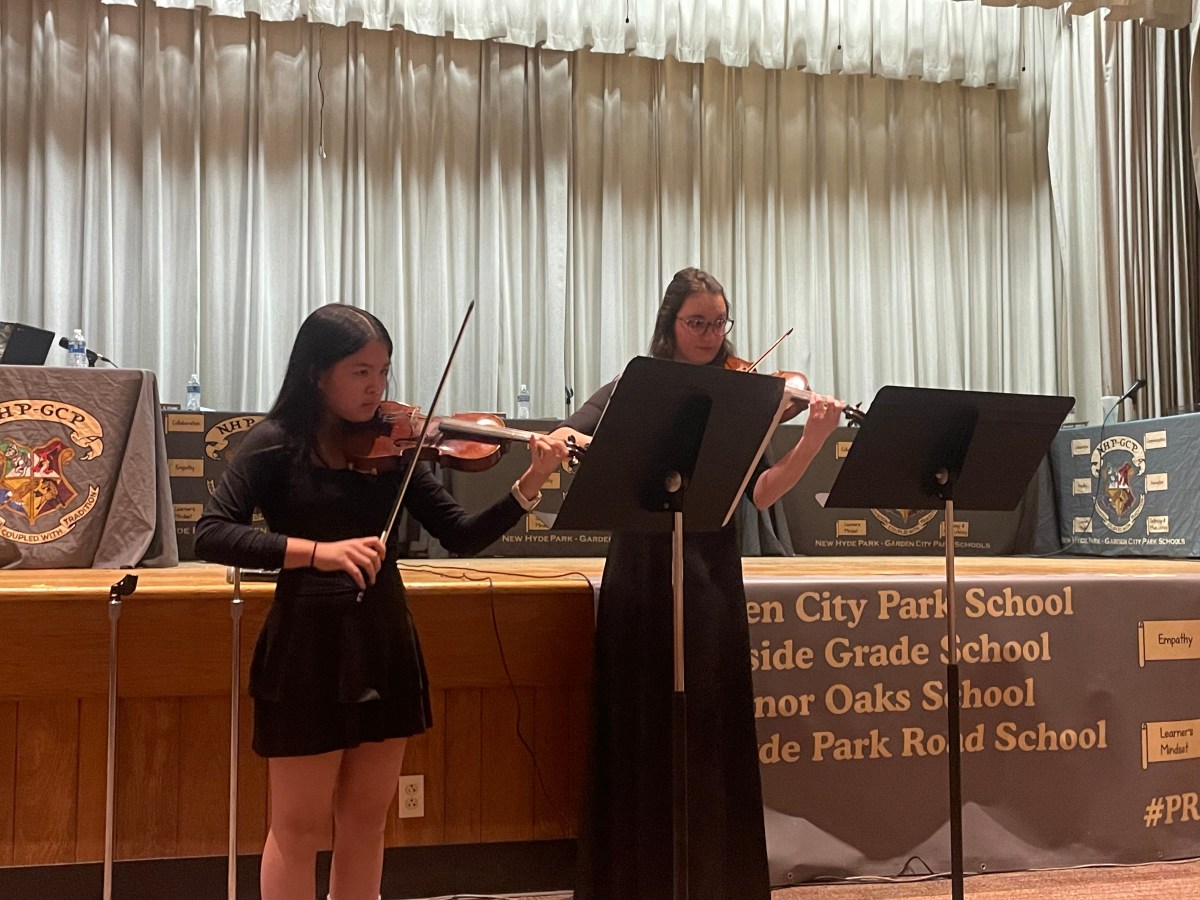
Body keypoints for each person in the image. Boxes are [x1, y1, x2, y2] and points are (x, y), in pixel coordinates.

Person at [194, 303, 569, 900]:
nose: (377, 387)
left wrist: (530, 483)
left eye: (384, 372)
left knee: (366, 824)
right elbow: (211, 532)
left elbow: (462, 534)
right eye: (360, 371)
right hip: (307, 649)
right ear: (319, 373)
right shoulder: (275, 445)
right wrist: (317, 551)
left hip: (384, 640)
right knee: (298, 827)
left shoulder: (394, 447)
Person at [555, 267, 845, 900]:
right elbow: (574, 434)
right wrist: (567, 440)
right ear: (671, 325)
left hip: (710, 571)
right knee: (642, 716)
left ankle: (713, 879)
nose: (711, 336)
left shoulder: (741, 395)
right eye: (697, 323)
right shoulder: (637, 384)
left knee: (709, 719)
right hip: (644, 568)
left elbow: (763, 493)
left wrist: (813, 440)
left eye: (719, 323)